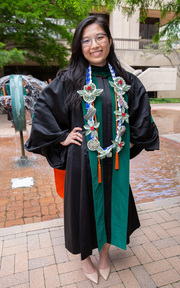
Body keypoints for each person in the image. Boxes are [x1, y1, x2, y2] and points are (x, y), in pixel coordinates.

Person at [25, 15, 159, 284]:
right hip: (83, 161)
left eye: (99, 37)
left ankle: (106, 253)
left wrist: (132, 138)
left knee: (112, 204)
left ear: (109, 41)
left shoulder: (125, 80)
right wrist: (62, 136)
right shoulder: (69, 80)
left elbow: (142, 114)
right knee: (82, 209)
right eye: (86, 40)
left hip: (115, 161)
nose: (94, 45)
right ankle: (85, 257)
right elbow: (42, 109)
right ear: (79, 46)